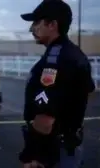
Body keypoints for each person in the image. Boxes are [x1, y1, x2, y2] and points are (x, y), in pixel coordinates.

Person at [19, 1, 95, 168]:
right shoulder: (74, 53)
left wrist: (33, 155)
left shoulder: (56, 60)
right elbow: (86, 90)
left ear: (52, 25)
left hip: (53, 152)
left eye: (36, 23)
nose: (31, 29)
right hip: (67, 145)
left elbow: (45, 119)